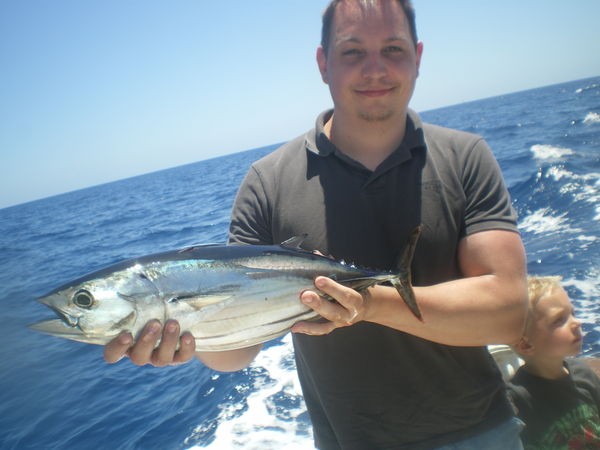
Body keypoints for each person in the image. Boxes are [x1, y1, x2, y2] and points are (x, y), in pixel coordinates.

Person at [104, 1, 529, 448]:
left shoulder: (464, 157)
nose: (374, 69)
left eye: (393, 49)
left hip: (483, 432)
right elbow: (236, 353)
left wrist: (368, 305)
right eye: (352, 52)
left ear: (418, 57)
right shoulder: (268, 182)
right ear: (323, 63)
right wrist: (181, 331)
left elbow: (508, 314)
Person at [507, 276, 600, 448]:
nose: (577, 322)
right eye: (559, 319)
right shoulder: (516, 400)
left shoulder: (583, 374)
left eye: (572, 313)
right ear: (526, 345)